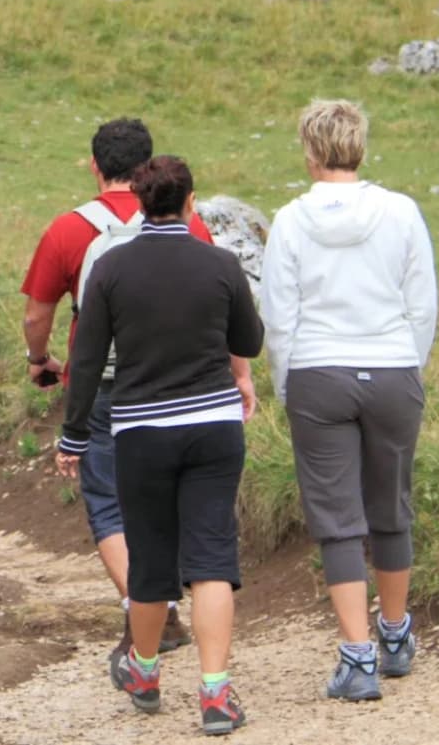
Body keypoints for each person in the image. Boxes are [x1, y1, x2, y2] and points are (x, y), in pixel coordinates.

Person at [22, 119, 256, 657]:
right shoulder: (191, 228)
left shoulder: (67, 230)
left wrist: (41, 360)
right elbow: (220, 306)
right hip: (192, 387)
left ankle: (150, 608)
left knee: (109, 505)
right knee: (190, 513)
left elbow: (38, 315)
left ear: (95, 167)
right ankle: (205, 665)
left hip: (108, 389)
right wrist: (239, 374)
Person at [59, 155, 263, 737]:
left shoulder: (113, 269)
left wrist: (74, 435)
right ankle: (216, 695)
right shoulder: (221, 263)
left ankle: (145, 673)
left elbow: (88, 360)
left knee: (150, 557)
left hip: (141, 431)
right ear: (191, 202)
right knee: (213, 559)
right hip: (213, 427)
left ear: (143, 204)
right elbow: (248, 338)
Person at [260, 100, 436, 703]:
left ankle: (356, 658)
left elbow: (278, 316)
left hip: (317, 370)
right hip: (392, 366)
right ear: (360, 147)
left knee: (336, 517)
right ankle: (394, 634)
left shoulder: (290, 219)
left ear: (310, 153)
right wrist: (407, 365)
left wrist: (287, 383)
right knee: (391, 504)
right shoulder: (402, 212)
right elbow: (423, 304)